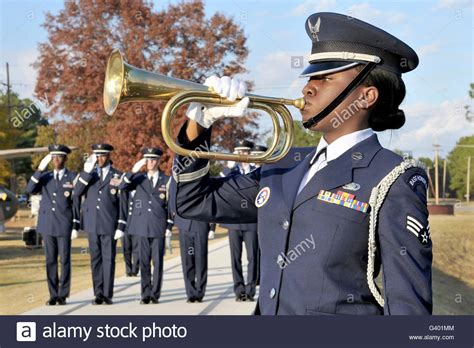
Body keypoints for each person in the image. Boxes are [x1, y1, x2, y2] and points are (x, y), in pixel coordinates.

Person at [171, 12, 432, 315]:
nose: (308, 88)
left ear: (366, 96)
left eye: (326, 78)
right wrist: (198, 121)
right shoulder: (283, 163)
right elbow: (193, 202)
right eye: (311, 76)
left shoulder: (392, 177)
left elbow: (408, 310)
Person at [118, 147, 173, 304]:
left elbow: (170, 205)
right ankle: (145, 294)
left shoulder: (166, 180)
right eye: (148, 159)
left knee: (157, 262)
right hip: (141, 226)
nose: (150, 162)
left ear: (158, 161)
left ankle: (155, 294)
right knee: (143, 262)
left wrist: (169, 226)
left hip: (158, 226)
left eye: (153, 159)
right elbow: (122, 187)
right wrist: (134, 169)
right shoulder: (138, 179)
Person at [73, 143, 126, 305]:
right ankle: (98, 293)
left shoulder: (118, 176)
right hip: (92, 224)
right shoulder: (89, 175)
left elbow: (122, 203)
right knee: (95, 259)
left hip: (109, 224)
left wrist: (121, 225)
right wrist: (87, 171)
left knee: (109, 259)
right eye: (97, 155)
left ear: (109, 156)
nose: (99, 159)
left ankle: (107, 294)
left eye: (102, 155)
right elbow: (76, 192)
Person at [26, 144, 79, 306]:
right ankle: (53, 294)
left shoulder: (72, 177)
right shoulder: (46, 177)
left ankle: (63, 294)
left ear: (65, 158)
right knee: (50, 260)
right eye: (53, 157)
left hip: (64, 224)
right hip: (47, 225)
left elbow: (76, 202)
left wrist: (75, 225)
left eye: (60, 156)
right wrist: (40, 169)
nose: (56, 159)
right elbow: (30, 189)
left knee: (65, 260)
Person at [220, 140, 259, 302]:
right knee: (235, 258)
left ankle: (250, 290)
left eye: (245, 152)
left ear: (249, 153)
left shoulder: (257, 170)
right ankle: (239, 290)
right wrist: (230, 167)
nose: (242, 155)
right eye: (239, 152)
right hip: (234, 222)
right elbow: (221, 182)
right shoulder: (229, 171)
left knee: (252, 258)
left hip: (251, 221)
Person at [173, 212, 216, 303]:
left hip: (201, 224)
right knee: (187, 261)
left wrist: (212, 227)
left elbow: (211, 204)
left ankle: (200, 293)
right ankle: (190, 293)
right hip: (184, 225)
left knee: (201, 261)